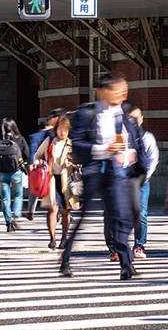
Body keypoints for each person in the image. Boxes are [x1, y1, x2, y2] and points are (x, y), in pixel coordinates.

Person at [61, 73, 146, 280]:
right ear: (104, 91)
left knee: (121, 216)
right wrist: (104, 148)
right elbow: (77, 145)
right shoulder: (86, 114)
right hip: (94, 171)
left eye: (125, 89)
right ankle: (65, 259)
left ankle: (126, 265)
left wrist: (131, 153)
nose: (123, 93)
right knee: (83, 218)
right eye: (119, 89)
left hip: (117, 173)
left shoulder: (126, 112)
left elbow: (135, 139)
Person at [34, 114, 75, 250]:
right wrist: (38, 162)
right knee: (52, 208)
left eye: (65, 130)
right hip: (51, 179)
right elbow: (37, 155)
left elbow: (80, 163)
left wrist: (73, 161)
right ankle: (52, 238)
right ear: (56, 130)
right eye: (60, 129)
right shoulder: (49, 141)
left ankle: (64, 237)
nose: (63, 132)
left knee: (65, 210)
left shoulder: (71, 144)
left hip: (66, 180)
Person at [130, 106, 159, 259]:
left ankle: (139, 245)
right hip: (125, 180)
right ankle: (117, 246)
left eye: (137, 118)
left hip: (142, 181)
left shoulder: (147, 138)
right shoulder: (122, 137)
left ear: (141, 119)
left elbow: (153, 158)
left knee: (141, 213)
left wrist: (145, 177)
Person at [24, 111, 61, 222]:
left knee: (35, 188)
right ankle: (58, 211)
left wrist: (31, 163)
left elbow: (33, 150)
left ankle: (31, 211)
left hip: (39, 166)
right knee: (55, 189)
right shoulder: (52, 134)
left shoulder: (33, 136)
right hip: (50, 165)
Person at [0, 118, 29, 232]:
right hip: (16, 172)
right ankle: (16, 214)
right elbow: (27, 155)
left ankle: (8, 222)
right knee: (18, 195)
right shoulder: (20, 139)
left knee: (5, 199)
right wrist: (24, 165)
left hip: (2, 173)